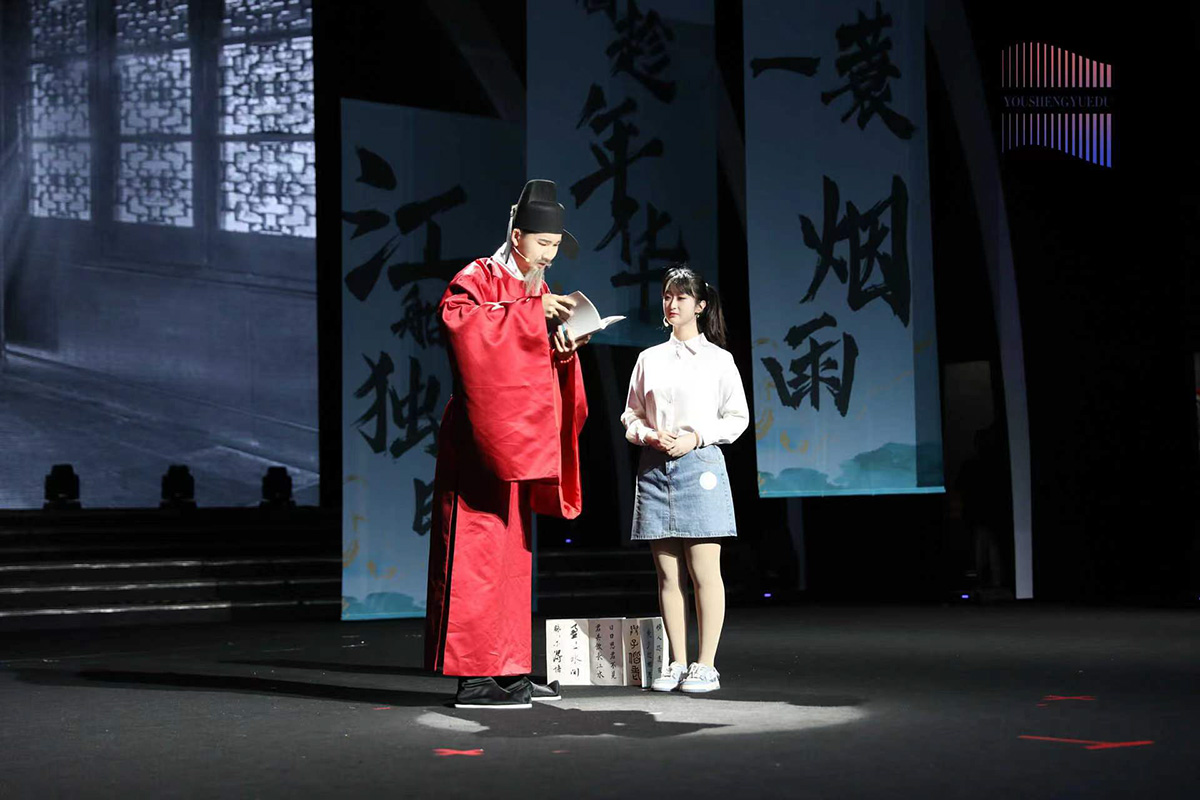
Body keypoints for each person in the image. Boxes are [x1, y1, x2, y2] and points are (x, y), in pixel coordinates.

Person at [424, 180, 591, 708]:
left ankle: (511, 668)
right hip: (478, 439)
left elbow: (532, 361)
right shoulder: (477, 276)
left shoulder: (539, 287)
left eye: (555, 246)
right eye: (543, 244)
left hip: (518, 439)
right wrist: (529, 316)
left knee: (512, 558)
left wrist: (563, 347)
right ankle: (473, 676)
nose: (549, 255)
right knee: (474, 553)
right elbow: (460, 324)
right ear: (517, 236)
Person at [620, 264, 749, 693]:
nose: (672, 304)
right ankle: (676, 661)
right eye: (667, 296)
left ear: (700, 305)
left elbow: (737, 418)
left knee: (704, 572)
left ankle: (706, 664)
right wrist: (648, 434)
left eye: (681, 297)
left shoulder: (719, 360)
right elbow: (631, 415)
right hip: (655, 467)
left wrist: (696, 437)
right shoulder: (649, 358)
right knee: (667, 575)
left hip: (700, 466)